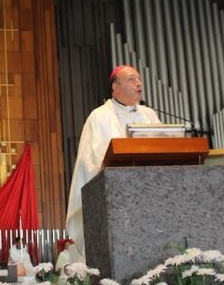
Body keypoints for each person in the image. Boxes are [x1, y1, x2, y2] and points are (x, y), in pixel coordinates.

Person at [65, 65, 160, 261]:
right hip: (117, 199)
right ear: (116, 87)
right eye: (132, 79)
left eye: (139, 79)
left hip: (152, 196)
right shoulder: (98, 117)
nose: (139, 83)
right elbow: (88, 162)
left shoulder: (149, 114)